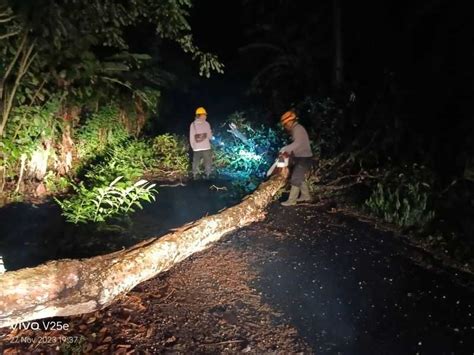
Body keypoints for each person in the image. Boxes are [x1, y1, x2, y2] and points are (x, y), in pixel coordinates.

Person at [279, 110, 313, 206]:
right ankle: (306, 196)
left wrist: (285, 149)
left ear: (290, 121)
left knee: (295, 178)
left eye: (286, 124)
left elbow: (298, 143)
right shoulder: (296, 129)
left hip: (304, 157)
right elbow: (298, 145)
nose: (285, 126)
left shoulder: (298, 129)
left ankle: (292, 200)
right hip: (301, 157)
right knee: (300, 177)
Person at [189, 106, 213, 179]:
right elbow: (210, 137)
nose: (206, 116)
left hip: (196, 148)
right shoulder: (206, 124)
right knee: (208, 162)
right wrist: (211, 135)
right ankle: (208, 175)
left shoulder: (192, 124)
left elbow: (191, 137)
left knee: (195, 162)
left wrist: (193, 147)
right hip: (206, 147)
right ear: (201, 115)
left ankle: (194, 175)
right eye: (205, 114)